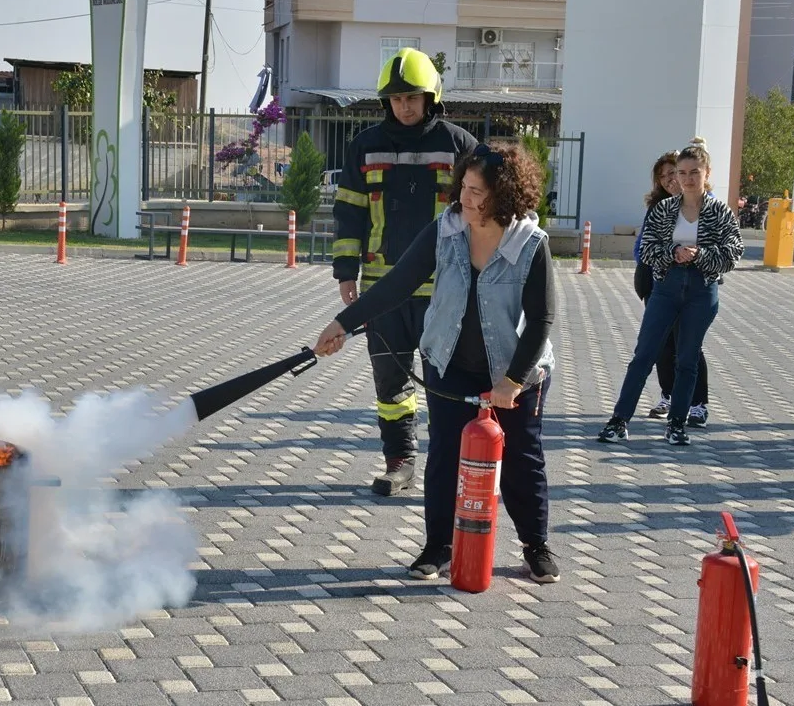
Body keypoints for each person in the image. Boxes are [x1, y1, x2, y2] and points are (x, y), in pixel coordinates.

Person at [315, 143, 560, 584]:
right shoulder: (445, 230)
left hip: (516, 372)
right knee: (446, 455)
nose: (464, 199)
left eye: (476, 192)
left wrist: (511, 381)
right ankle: (437, 547)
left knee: (523, 458)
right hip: (449, 363)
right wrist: (343, 324)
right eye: (463, 187)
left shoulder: (530, 244)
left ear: (502, 195)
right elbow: (397, 284)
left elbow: (541, 320)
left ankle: (535, 546)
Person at [331, 47, 477, 496]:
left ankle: (453, 463)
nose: (405, 106)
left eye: (413, 97)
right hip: (383, 288)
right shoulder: (365, 145)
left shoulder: (459, 145)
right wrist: (345, 272)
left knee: (447, 383)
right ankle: (400, 462)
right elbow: (349, 214)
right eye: (396, 99)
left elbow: (484, 210)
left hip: (447, 289)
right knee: (390, 382)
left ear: (431, 96)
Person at [599, 140, 742, 446]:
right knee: (644, 354)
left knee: (687, 358)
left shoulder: (719, 212)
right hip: (665, 288)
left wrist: (700, 255)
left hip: (702, 291)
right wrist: (673, 251)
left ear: (706, 173)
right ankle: (619, 420)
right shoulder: (664, 209)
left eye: (694, 172)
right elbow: (647, 250)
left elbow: (733, 253)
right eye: (682, 173)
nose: (687, 179)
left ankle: (677, 423)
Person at [633, 150, 711, 426]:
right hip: (656, 284)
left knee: (688, 345)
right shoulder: (659, 207)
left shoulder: (705, 206)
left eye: (673, 173)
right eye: (663, 176)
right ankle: (668, 394)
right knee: (662, 344)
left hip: (693, 286)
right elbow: (642, 246)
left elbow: (715, 244)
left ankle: (698, 403)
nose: (669, 180)